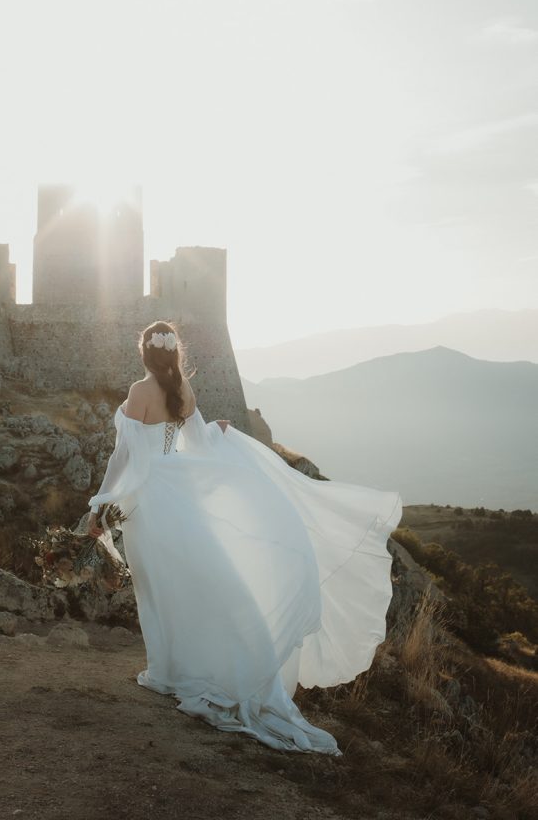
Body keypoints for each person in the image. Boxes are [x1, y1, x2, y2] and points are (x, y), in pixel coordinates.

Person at [86, 320, 402, 755]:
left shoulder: (138, 393)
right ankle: (186, 668)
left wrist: (99, 504)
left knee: (157, 589)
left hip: (146, 506)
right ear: (174, 354)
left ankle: (167, 671)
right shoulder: (185, 394)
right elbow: (197, 445)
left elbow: (122, 458)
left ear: (144, 355)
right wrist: (215, 431)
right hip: (179, 501)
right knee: (186, 588)